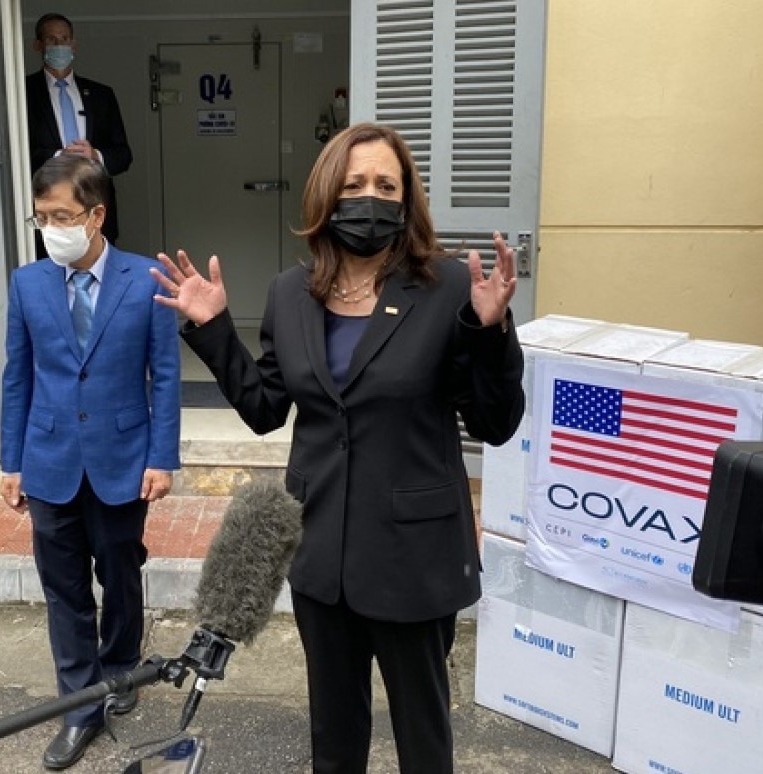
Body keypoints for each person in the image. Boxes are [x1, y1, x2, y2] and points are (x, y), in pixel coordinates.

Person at [153, 122, 525, 774]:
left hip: (412, 556)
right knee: (333, 732)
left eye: (386, 184)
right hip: (321, 552)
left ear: (407, 199)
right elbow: (266, 409)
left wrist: (490, 333)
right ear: (326, 195)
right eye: (353, 184)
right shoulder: (289, 294)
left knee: (422, 736)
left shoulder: (446, 289)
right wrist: (210, 329)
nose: (369, 197)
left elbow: (494, 423)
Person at [0, 154, 180, 770]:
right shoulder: (27, 283)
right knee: (64, 590)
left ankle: (122, 665)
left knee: (120, 573)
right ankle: (80, 709)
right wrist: (11, 461)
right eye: (42, 217)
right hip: (48, 460)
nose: (52, 228)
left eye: (64, 216)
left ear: (97, 215)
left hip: (123, 458)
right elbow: (17, 377)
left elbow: (165, 378)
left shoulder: (145, 277)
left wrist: (162, 457)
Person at [26, 12, 132, 247]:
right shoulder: (23, 93)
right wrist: (58, 157)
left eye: (64, 39)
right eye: (52, 40)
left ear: (73, 44)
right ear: (38, 45)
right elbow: (17, 155)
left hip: (93, 201)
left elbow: (124, 155)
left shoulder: (101, 95)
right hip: (48, 202)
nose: (59, 45)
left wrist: (95, 156)